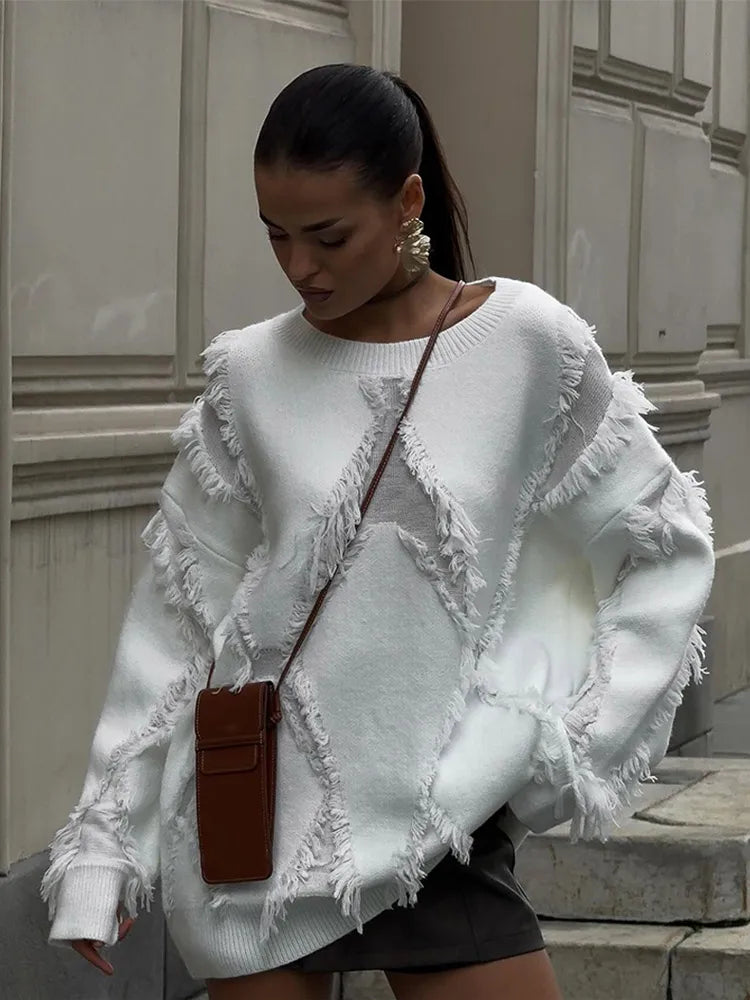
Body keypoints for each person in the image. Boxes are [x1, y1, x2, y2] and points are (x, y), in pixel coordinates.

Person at [40, 63, 715, 1000]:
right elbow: (178, 616)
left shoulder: (528, 344)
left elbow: (661, 544)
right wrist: (103, 848)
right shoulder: (249, 375)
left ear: (406, 202)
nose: (300, 267)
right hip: (255, 823)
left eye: (328, 235)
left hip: (445, 816)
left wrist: (559, 746)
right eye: (276, 235)